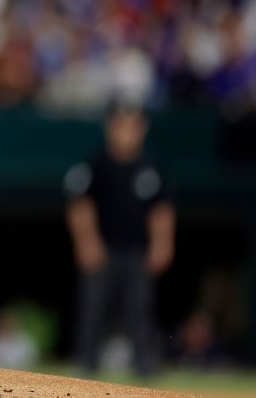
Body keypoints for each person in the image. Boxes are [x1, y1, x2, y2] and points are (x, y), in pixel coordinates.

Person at [63, 101, 175, 377]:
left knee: (140, 310)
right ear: (110, 127)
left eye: (134, 126)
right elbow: (79, 204)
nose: (128, 132)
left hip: (138, 249)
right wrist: (87, 243)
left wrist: (162, 244)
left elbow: (162, 208)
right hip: (104, 249)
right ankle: (87, 364)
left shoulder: (151, 163)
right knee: (94, 308)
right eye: (122, 125)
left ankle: (145, 367)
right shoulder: (96, 160)